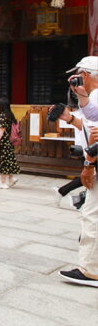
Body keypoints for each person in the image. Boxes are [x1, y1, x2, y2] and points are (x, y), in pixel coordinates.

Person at [59, 56, 98, 287]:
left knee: (92, 213)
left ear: (84, 74)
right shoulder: (92, 96)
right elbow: (92, 115)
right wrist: (81, 95)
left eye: (79, 75)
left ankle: (91, 270)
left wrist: (89, 165)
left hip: (95, 159)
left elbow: (94, 134)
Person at [0, 97, 20, 189]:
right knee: (8, 159)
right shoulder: (10, 115)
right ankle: (10, 179)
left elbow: (1, 129)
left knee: (2, 161)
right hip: (8, 141)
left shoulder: (2, 115)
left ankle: (3, 182)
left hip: (3, 141)